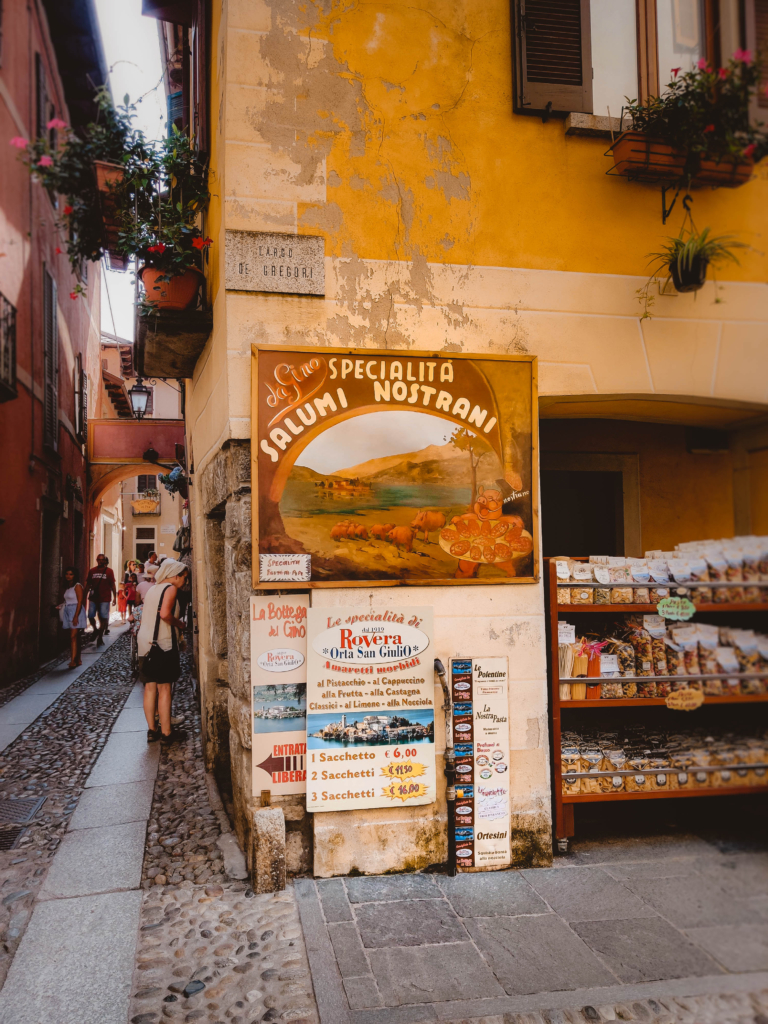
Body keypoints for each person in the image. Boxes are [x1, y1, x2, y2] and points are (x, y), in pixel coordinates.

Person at [137, 558, 188, 744]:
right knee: (164, 688)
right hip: (162, 642)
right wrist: (180, 624)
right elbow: (165, 614)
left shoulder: (152, 589)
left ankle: (152, 730)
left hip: (145, 642)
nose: (185, 582)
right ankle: (167, 733)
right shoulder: (170, 589)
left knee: (149, 687)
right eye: (184, 577)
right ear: (175, 575)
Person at [85, 553, 116, 647]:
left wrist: (115, 597)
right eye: (99, 559)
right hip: (93, 598)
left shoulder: (109, 571)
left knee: (103, 617)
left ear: (105, 561)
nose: (101, 561)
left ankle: (100, 637)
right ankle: (95, 629)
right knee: (90, 615)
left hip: (105, 598)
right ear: (97, 560)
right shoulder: (92, 571)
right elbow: (88, 584)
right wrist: (84, 595)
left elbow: (112, 585)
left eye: (102, 559)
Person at [58, 567, 87, 668]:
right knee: (75, 637)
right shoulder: (68, 587)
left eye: (71, 574)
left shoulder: (77, 586)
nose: (68, 576)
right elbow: (69, 600)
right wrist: (61, 606)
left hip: (76, 612)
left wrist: (76, 616)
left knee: (73, 637)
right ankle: (78, 659)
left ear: (75, 575)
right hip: (68, 611)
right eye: (67, 574)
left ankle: (73, 661)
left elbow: (80, 601)